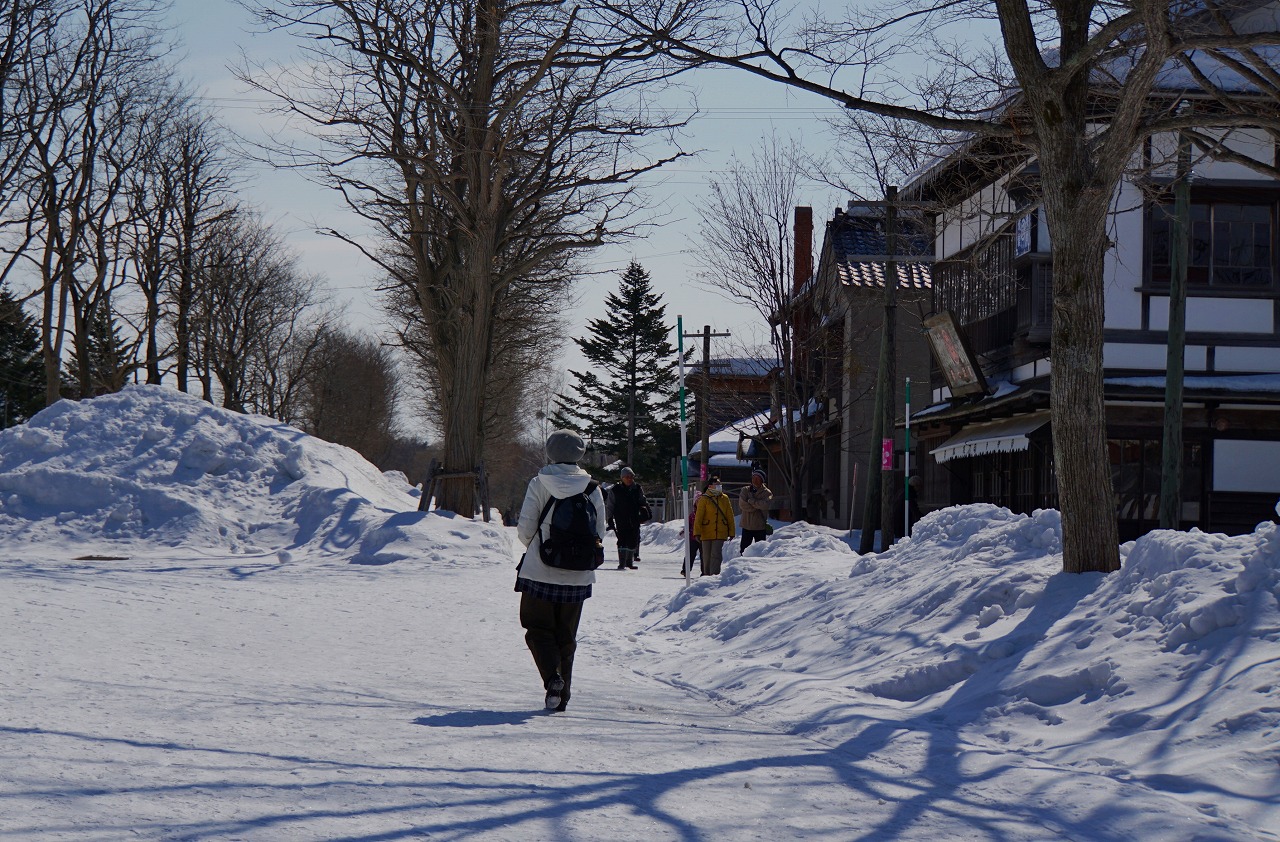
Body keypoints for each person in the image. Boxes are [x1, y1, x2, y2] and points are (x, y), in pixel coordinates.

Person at [515, 429, 607, 712]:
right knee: (566, 635)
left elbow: (525, 529)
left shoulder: (539, 483)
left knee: (537, 628)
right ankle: (561, 697)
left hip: (540, 571)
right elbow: (600, 532)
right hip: (579, 575)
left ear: (550, 452)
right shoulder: (592, 488)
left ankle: (552, 679)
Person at [606, 466, 650, 570]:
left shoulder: (637, 488)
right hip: (620, 518)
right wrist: (609, 519)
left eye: (631, 477)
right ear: (622, 478)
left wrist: (647, 511)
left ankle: (629, 562)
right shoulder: (615, 490)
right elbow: (610, 505)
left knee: (633, 540)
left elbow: (643, 501)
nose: (629, 479)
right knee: (622, 540)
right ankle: (622, 562)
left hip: (634, 518)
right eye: (627, 477)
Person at [693, 475, 735, 575]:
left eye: (720, 484)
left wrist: (731, 531)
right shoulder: (704, 498)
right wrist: (697, 532)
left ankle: (714, 575)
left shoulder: (724, 498)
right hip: (706, 531)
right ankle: (706, 575)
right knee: (706, 556)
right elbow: (699, 517)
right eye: (716, 484)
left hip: (721, 531)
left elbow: (730, 515)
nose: (719, 486)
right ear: (710, 486)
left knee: (716, 554)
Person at [738, 469, 773, 553]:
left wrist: (751, 501)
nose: (755, 480)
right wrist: (756, 506)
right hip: (746, 525)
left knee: (760, 551)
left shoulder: (767, 493)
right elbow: (742, 504)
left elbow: (765, 505)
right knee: (744, 551)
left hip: (760, 527)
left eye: (757, 478)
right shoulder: (745, 490)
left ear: (762, 480)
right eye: (753, 477)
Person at [891, 475, 924, 543]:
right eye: (919, 486)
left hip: (897, 521)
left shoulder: (902, 491)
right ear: (915, 486)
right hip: (903, 523)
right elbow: (914, 510)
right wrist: (925, 519)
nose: (920, 489)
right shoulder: (908, 495)